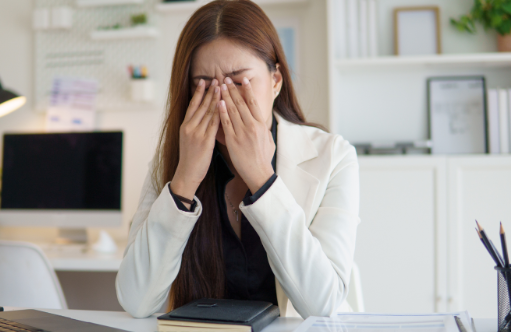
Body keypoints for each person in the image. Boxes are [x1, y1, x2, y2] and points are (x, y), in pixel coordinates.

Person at [115, 0, 360, 319]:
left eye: (240, 82)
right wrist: (185, 181)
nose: (222, 102)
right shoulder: (172, 162)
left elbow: (321, 303)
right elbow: (136, 300)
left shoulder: (334, 156)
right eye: (203, 86)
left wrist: (262, 179)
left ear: (275, 81)